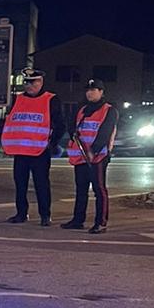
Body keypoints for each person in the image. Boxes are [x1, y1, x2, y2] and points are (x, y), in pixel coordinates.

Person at [2, 67, 65, 225]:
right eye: (26, 82)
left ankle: (45, 215)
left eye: (32, 82)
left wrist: (52, 143)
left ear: (41, 82)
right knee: (20, 183)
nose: (29, 86)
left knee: (41, 183)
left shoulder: (51, 99)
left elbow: (60, 124)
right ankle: (21, 214)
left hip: (40, 151)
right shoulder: (18, 99)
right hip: (21, 150)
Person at [61, 77, 118, 233]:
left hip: (97, 156)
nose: (89, 93)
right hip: (81, 155)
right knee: (81, 189)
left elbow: (105, 133)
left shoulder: (109, 110)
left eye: (93, 90)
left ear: (101, 92)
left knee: (99, 189)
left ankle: (101, 222)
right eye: (88, 90)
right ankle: (78, 220)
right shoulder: (82, 109)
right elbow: (72, 125)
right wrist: (73, 133)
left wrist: (93, 151)